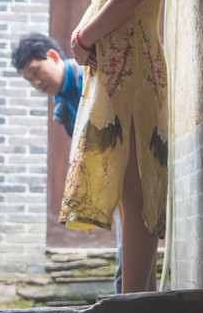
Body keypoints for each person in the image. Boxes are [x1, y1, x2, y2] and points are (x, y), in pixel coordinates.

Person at [62, 0, 180, 294]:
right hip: (116, 63)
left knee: (135, 191)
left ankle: (135, 309)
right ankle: (137, 306)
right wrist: (87, 33)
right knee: (128, 190)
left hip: (131, 61)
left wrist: (86, 35)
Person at [12, 32, 122, 294]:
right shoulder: (62, 110)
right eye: (29, 80)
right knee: (125, 253)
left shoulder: (90, 74)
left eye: (36, 72)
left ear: (53, 56)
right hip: (114, 177)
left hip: (133, 165)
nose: (36, 83)